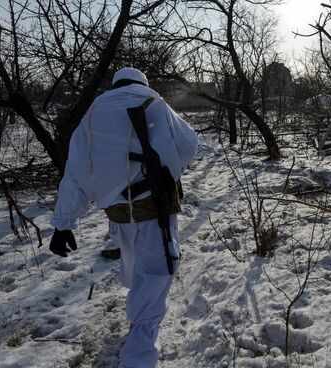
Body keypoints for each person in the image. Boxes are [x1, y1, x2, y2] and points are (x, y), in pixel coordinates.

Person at [48, 67, 198, 367]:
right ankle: (139, 357)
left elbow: (74, 173)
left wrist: (63, 224)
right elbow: (189, 145)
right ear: (143, 82)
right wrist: (168, 170)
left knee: (134, 268)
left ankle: (136, 316)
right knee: (156, 274)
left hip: (117, 215)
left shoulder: (91, 116)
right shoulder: (153, 102)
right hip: (154, 209)